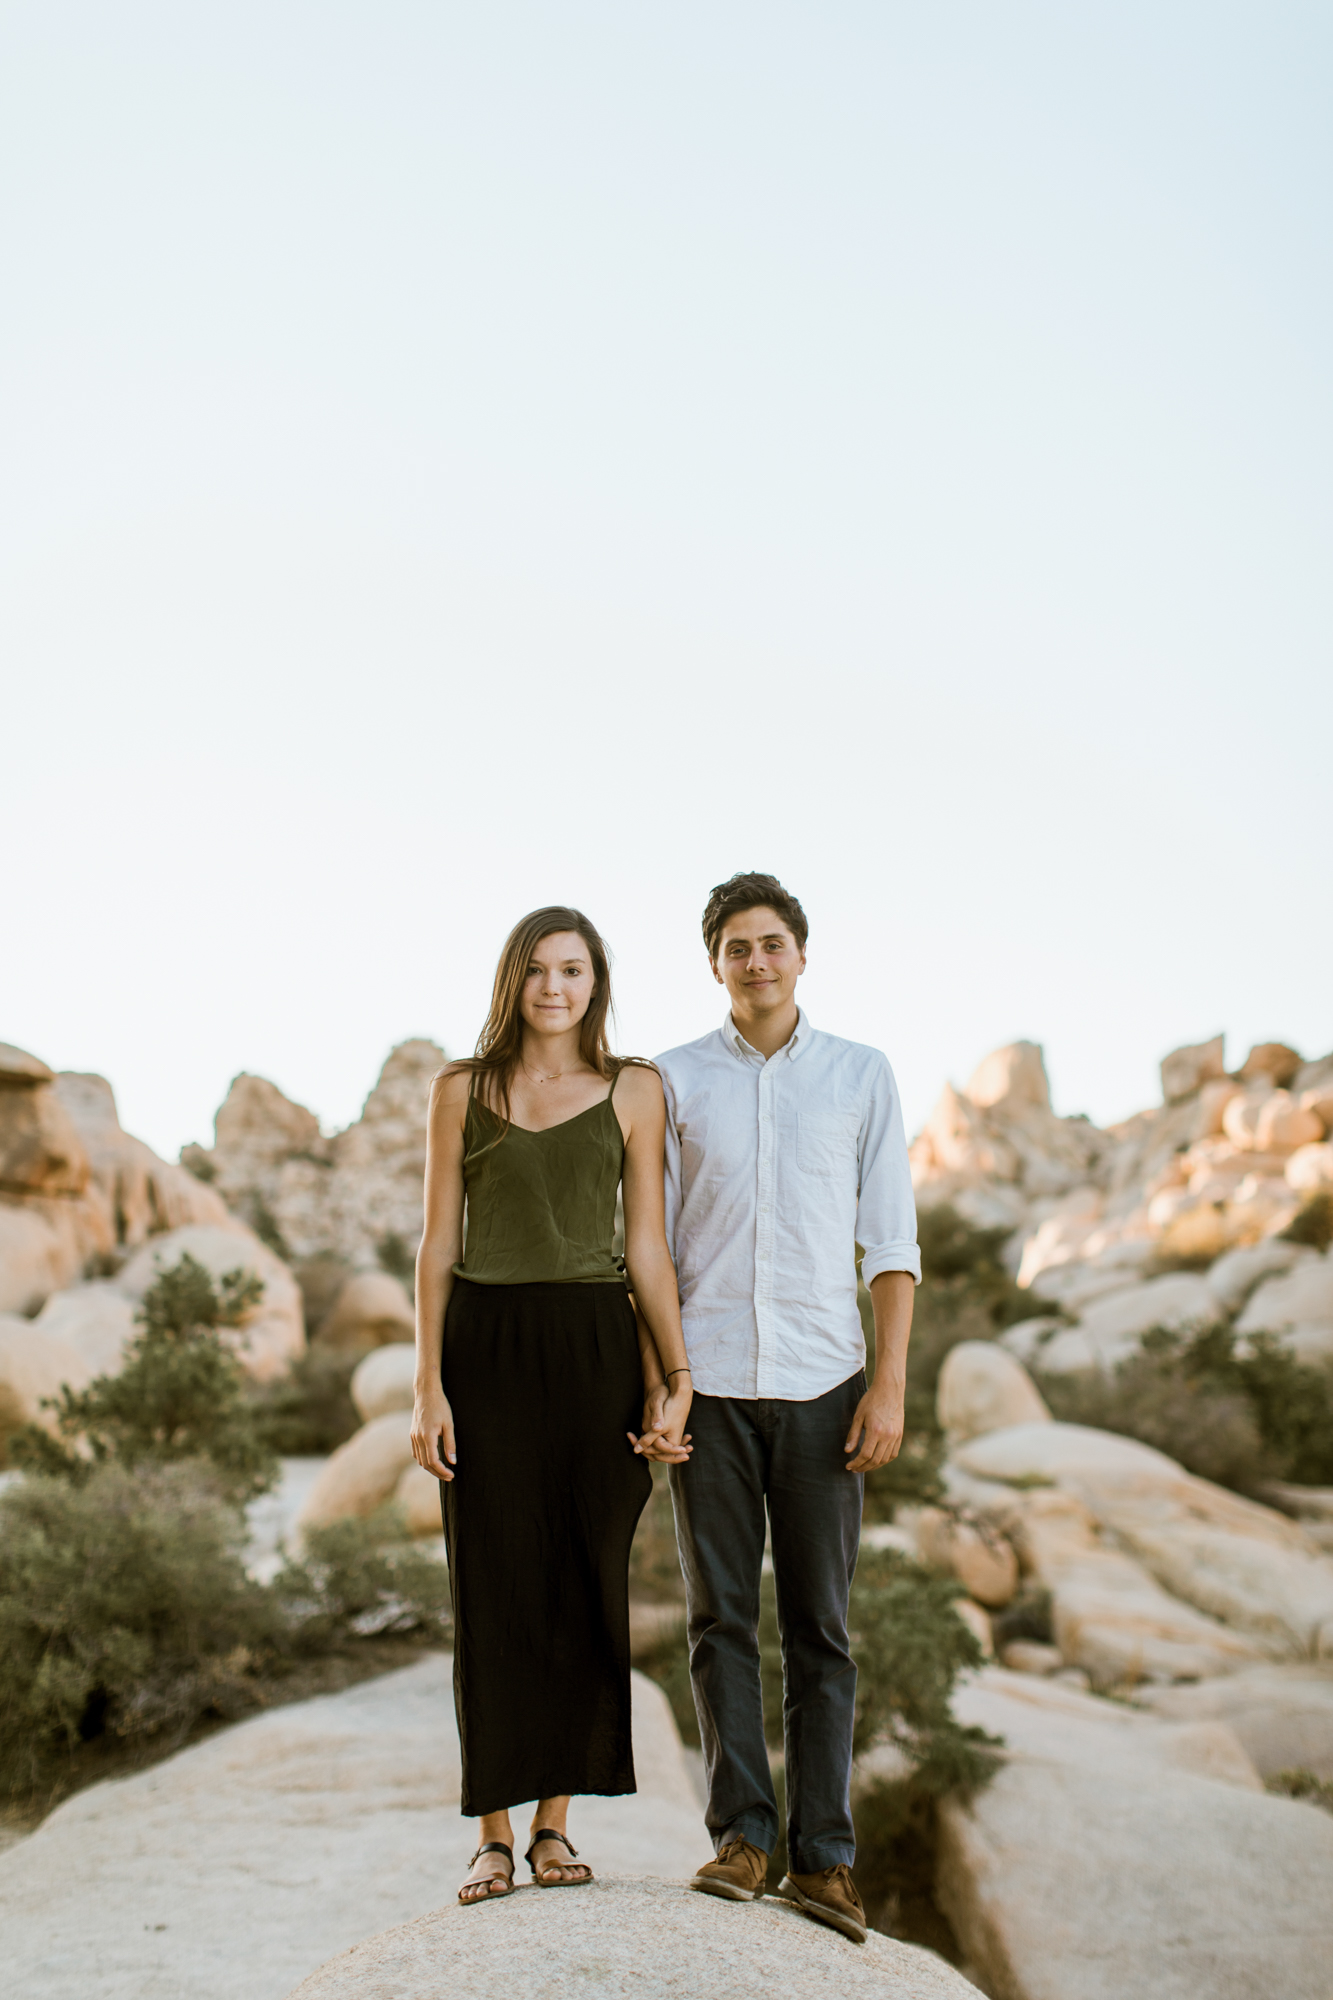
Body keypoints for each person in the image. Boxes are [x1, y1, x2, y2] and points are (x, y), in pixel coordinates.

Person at [653, 871, 919, 1945]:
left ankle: (824, 1858)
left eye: (771, 943)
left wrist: (889, 1383)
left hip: (824, 1384)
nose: (755, 962)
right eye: (735, 947)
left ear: (801, 954)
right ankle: (742, 1837)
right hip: (708, 1383)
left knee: (821, 1629)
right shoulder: (671, 1081)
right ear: (713, 962)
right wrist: (662, 1380)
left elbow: (891, 1243)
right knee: (720, 1619)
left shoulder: (862, 1075)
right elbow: (654, 1252)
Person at [411, 906, 693, 1906]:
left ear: (596, 981)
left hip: (595, 1350)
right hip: (484, 1349)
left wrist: (675, 1370)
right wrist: (426, 1382)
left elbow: (648, 1244)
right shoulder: (461, 1089)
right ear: (511, 980)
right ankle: (490, 1831)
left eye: (572, 969)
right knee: (490, 1587)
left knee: (582, 1581)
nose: (553, 987)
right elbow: (438, 1241)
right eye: (535, 969)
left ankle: (553, 1825)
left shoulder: (636, 1089)